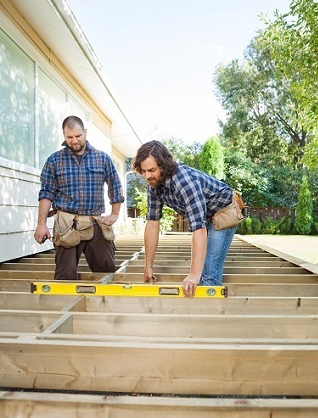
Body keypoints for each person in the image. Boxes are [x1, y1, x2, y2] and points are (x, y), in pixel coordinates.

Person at [132, 140, 237, 298]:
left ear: (164, 165)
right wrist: (148, 266)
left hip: (222, 212)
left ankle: (208, 317)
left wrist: (194, 274)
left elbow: (199, 229)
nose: (147, 176)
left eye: (151, 170)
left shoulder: (184, 182)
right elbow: (152, 224)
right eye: (144, 171)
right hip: (204, 214)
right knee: (198, 272)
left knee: (207, 277)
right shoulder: (153, 185)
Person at [34, 115, 124, 280]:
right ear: (64, 135)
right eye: (69, 137)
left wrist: (115, 214)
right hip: (66, 225)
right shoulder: (54, 160)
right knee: (65, 277)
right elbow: (46, 193)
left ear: (85, 132)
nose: (74, 140)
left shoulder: (102, 158)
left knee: (107, 274)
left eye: (78, 136)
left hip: (96, 224)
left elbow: (115, 186)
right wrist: (41, 224)